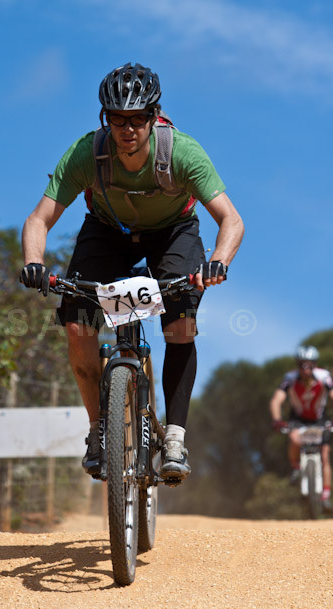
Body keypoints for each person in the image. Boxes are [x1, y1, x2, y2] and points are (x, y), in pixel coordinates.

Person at [20, 62, 244, 482]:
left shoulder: (182, 152)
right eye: (117, 119)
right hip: (108, 232)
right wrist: (34, 263)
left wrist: (218, 262)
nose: (127, 129)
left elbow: (231, 220)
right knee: (78, 325)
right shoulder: (88, 152)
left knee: (180, 326)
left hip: (172, 233)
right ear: (105, 118)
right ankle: (96, 430)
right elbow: (38, 220)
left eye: (137, 119)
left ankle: (174, 436)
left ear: (153, 115)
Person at [270, 345, 333, 511]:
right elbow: (277, 400)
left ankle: (325, 496)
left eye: (309, 365)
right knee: (294, 438)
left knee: (325, 455)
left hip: (319, 419)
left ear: (315, 364)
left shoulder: (324, 377)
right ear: (297, 365)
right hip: (298, 419)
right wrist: (277, 419)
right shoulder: (289, 378)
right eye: (302, 365)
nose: (305, 369)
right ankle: (296, 466)